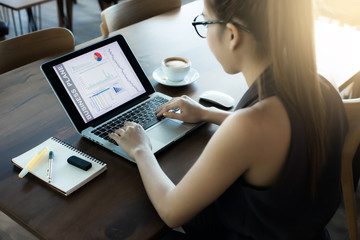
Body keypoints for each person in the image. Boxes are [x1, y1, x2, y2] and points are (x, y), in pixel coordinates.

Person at [109, 0, 348, 239]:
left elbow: (171, 211)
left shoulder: (249, 126)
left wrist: (141, 149)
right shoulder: (323, 86)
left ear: (232, 35)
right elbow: (272, 133)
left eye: (205, 22)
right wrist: (207, 113)